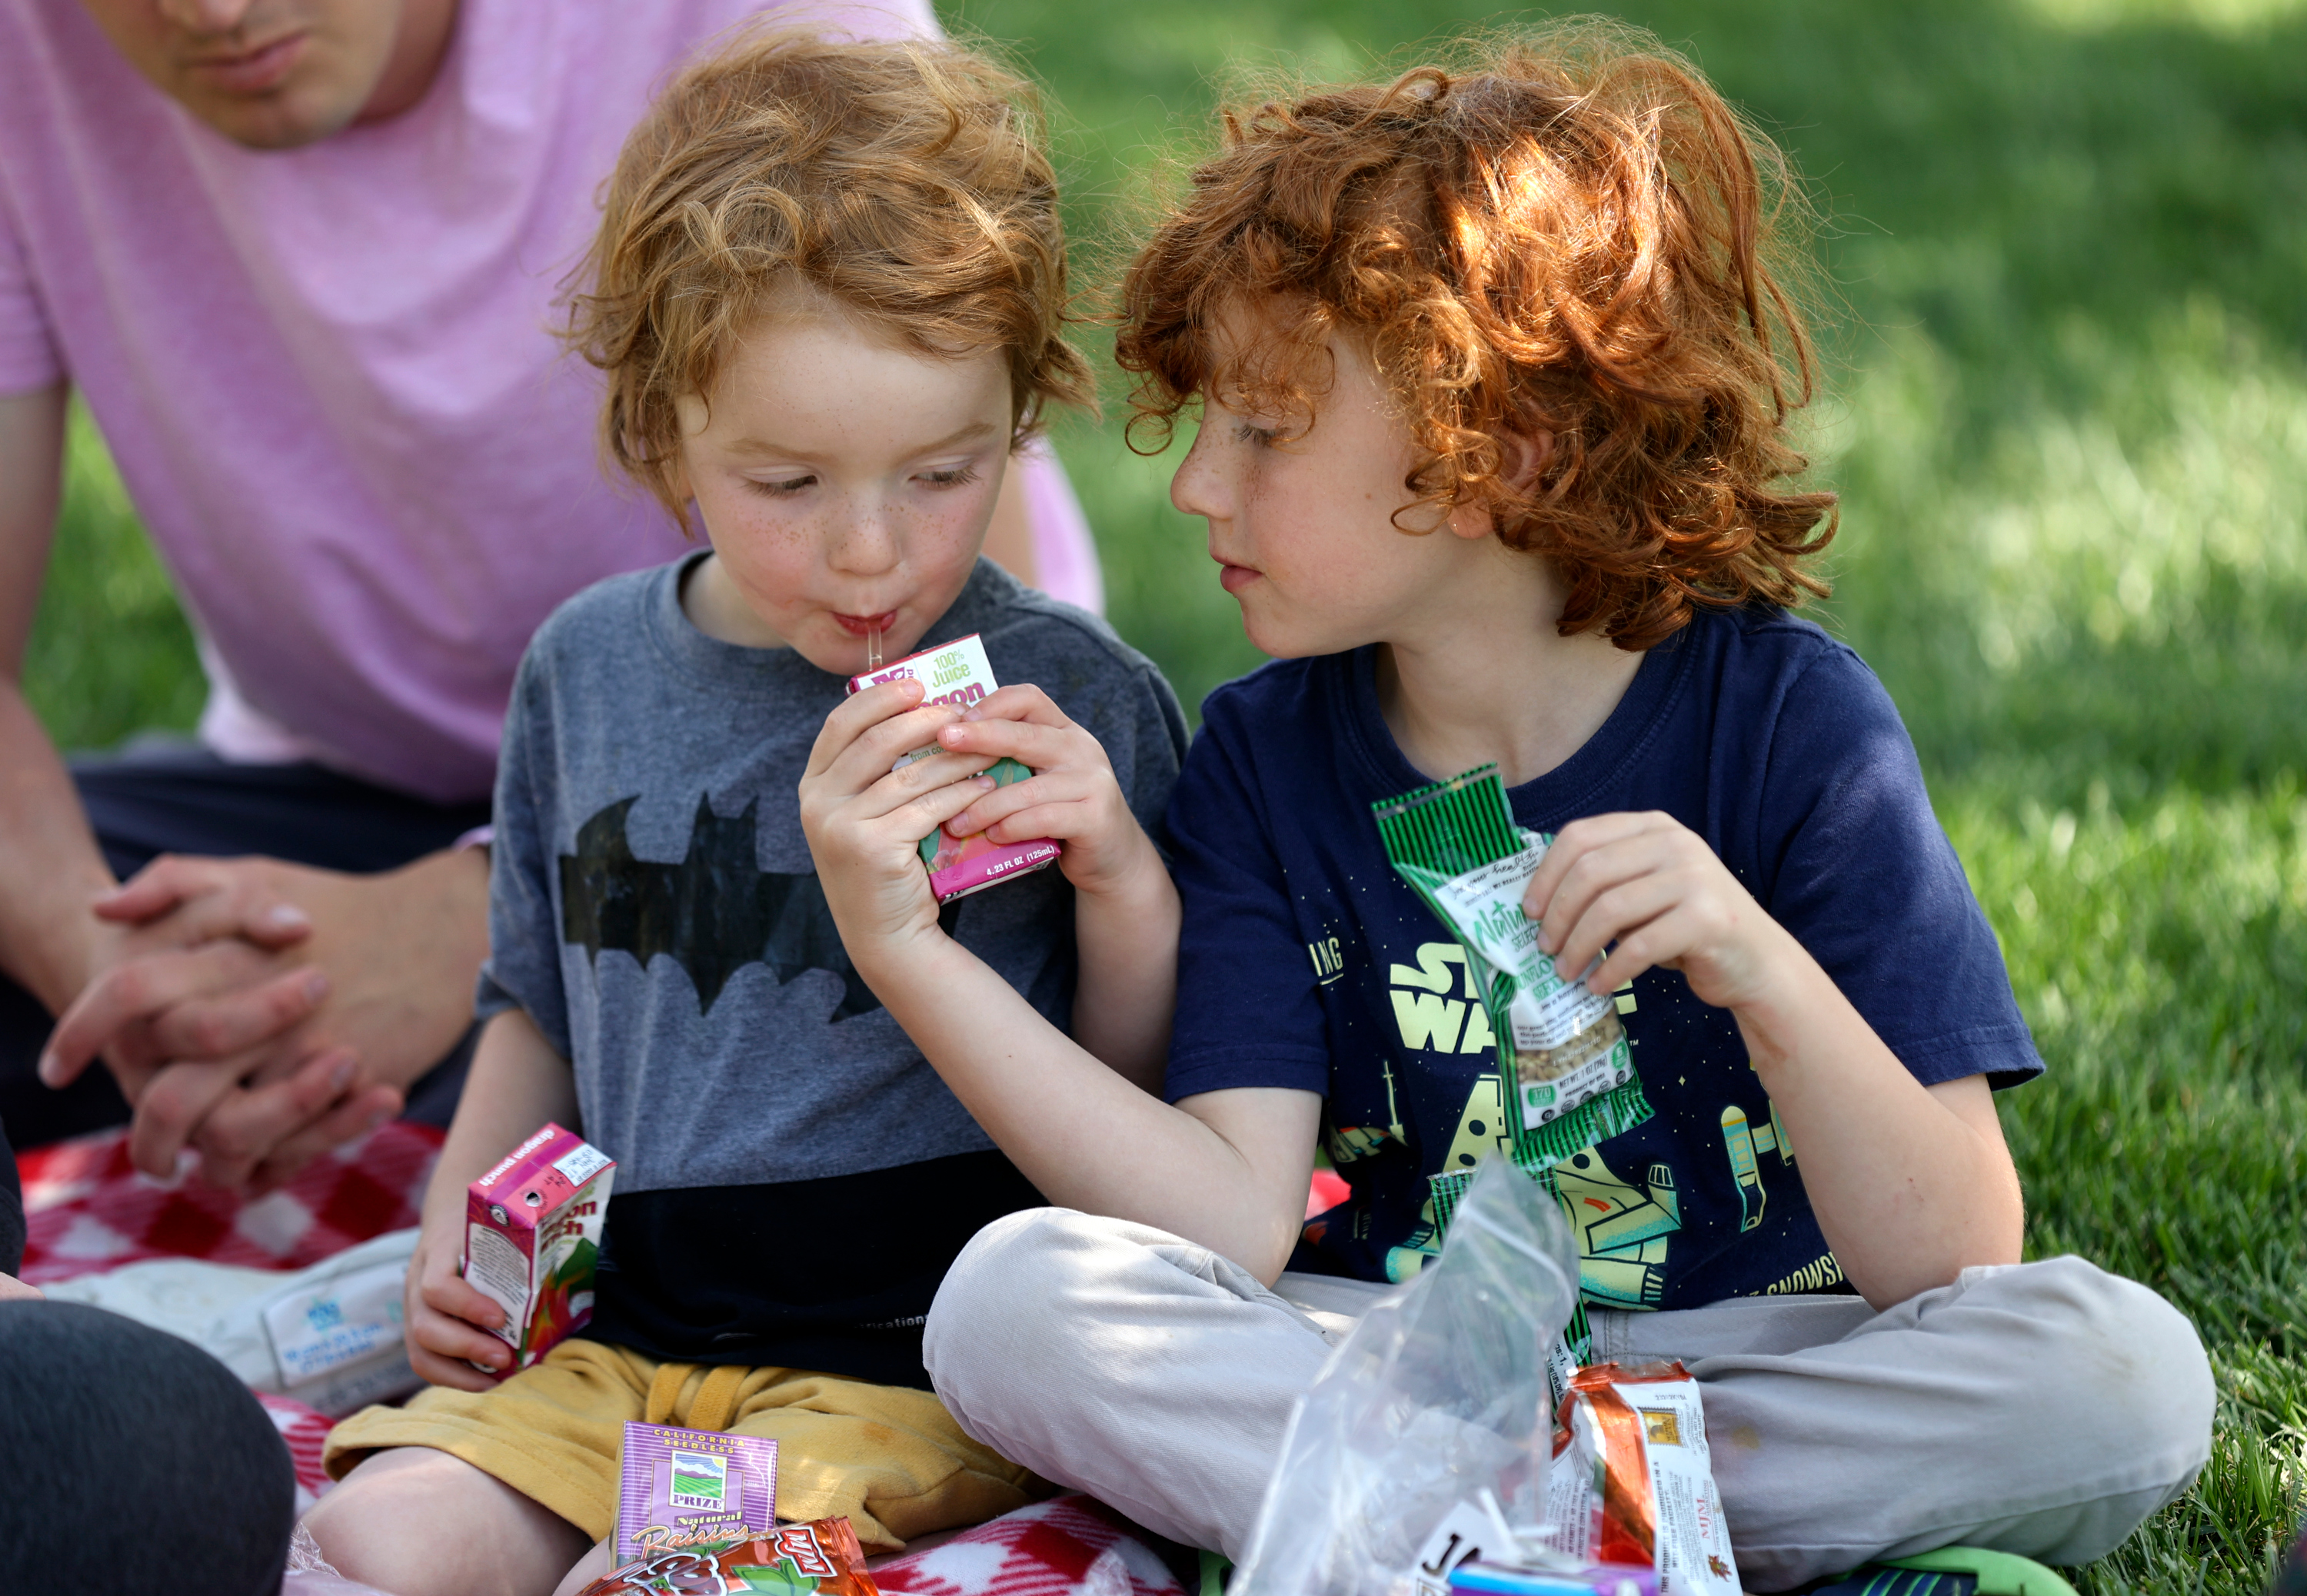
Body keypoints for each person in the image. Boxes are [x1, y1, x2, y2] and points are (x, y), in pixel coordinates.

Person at [802, 26, 2217, 1586]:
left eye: (1267, 432)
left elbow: (1956, 1260)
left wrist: (1755, 965)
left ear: (1500, 453)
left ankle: (1464, 1539)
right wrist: (905, 949)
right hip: (1407, 1357)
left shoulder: (1791, 723)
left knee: (2121, 1372)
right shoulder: (1265, 762)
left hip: (1749, 1366)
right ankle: (1623, 1547)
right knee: (1014, 1301)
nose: (1199, 486)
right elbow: (1227, 1227)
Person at [298, 30, 1187, 1596]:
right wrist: (459, 1232)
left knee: (657, 1575)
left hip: (910, 1360)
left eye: (942, 472)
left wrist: (1120, 880)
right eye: (788, 484)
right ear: (663, 440)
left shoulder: (1068, 706)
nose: (869, 556)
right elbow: (535, 1004)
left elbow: (1143, 1096)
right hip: (630, 1332)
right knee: (378, 1534)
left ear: (1020, 419)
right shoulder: (586, 672)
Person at [0, 0, 1104, 1192]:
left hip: (754, 785)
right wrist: (138, 999)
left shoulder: (783, 38)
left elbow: (935, 677)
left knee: (755, 1042)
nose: (209, 11)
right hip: (327, 802)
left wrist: (487, 919)